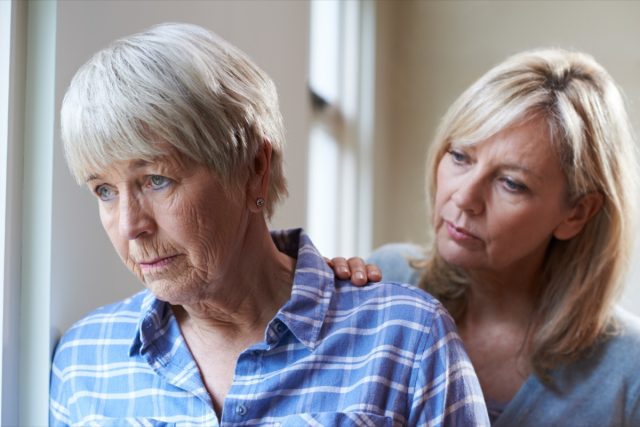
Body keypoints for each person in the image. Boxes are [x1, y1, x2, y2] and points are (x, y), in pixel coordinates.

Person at [49, 23, 490, 426]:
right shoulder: (84, 360)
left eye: (157, 180)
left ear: (254, 168)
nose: (130, 226)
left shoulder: (406, 338)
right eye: (104, 190)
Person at [332, 48, 640, 426]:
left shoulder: (629, 370)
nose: (464, 197)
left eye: (511, 183)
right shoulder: (385, 279)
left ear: (576, 213)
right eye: (461, 156)